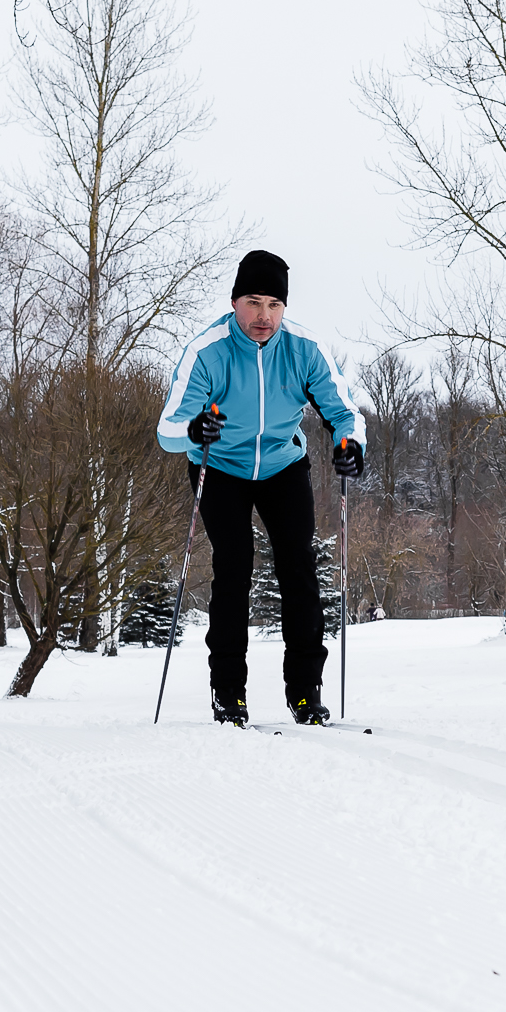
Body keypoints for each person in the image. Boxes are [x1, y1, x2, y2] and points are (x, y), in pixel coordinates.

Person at [156, 249, 365, 727]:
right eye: (253, 302)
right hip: (220, 466)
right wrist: (193, 430)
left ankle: (305, 692)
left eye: (274, 304)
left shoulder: (304, 349)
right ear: (235, 302)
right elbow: (168, 429)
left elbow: (343, 411)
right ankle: (229, 692)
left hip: (281, 465)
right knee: (234, 569)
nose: (263, 316)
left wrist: (350, 443)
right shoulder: (206, 351)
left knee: (299, 569)